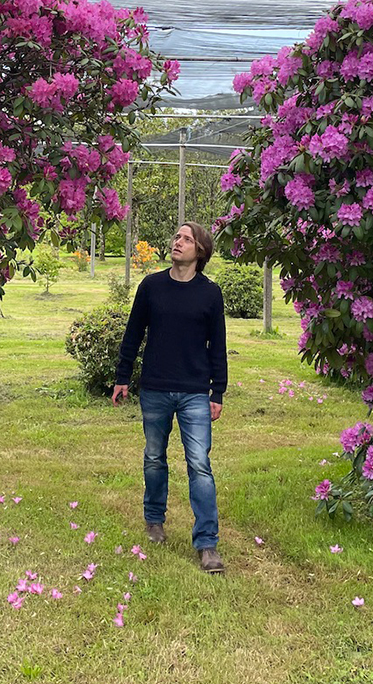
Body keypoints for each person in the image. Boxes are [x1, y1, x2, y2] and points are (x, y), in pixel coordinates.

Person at [112, 221, 228, 574]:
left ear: (200, 252)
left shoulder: (210, 294)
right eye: (176, 236)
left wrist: (217, 390)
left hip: (194, 390)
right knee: (153, 457)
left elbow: (218, 346)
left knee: (200, 465)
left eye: (187, 239)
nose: (178, 242)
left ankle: (207, 544)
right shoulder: (151, 286)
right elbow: (133, 333)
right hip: (156, 388)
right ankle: (154, 520)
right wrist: (122, 376)